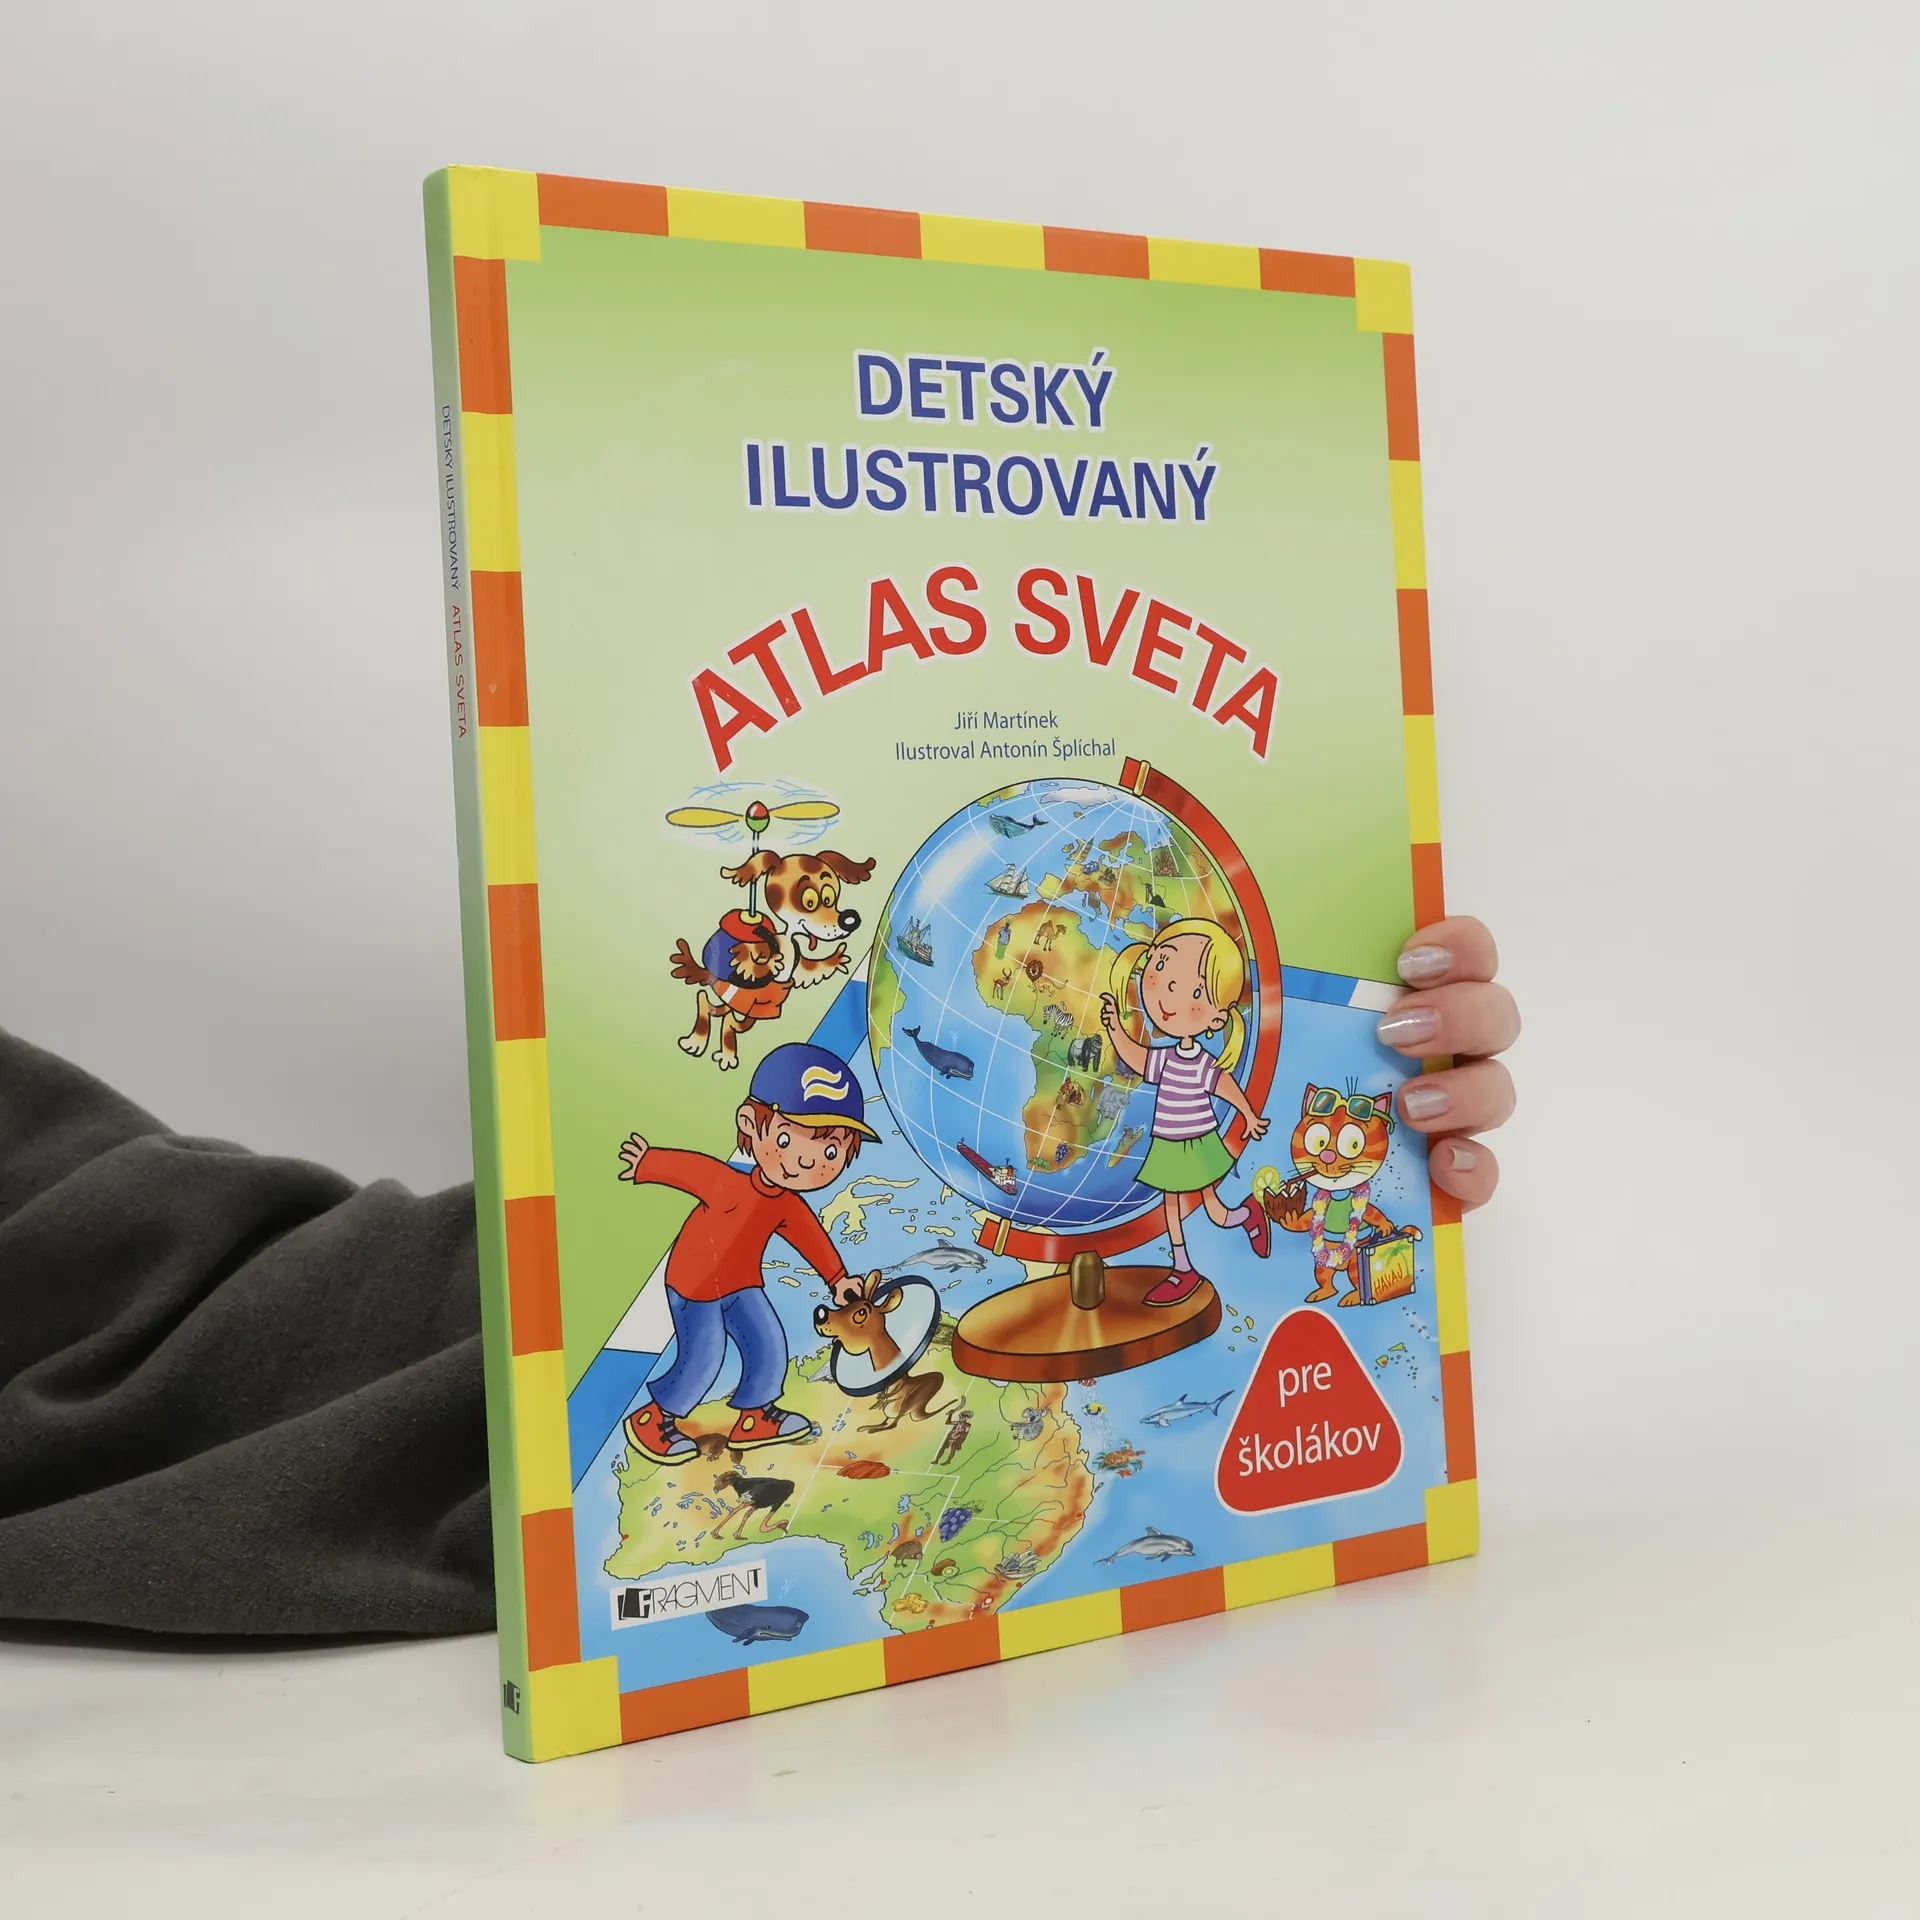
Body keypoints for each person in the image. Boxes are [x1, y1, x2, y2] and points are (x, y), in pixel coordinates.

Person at [0, 917, 1517, 1635]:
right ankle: (685, 1416)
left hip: (669, 1333)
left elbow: (189, 1299)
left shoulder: (796, 1195)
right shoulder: (735, 1173)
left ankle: (710, 1409)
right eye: (797, 1139)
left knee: (751, 1361)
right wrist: (641, 1188)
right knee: (700, 1364)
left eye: (825, 1144)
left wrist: (1345, 1095)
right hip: (684, 1316)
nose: (803, 1159)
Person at [615, 1042, 875, 1465]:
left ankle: (756, 1416)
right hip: (694, 1285)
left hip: (741, 1285)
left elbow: (809, 1237)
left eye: (830, 1153)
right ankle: (653, 1419)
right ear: (751, 1124)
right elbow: (693, 1170)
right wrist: (648, 1163)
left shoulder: (787, 1204)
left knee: (768, 1342)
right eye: (787, 1139)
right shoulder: (728, 1185)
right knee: (705, 1355)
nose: (805, 1163)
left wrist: (838, 1279)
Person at [1099, 917, 1273, 1306]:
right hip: (1168, 1143)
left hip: (1198, 1141)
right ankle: (1183, 1268)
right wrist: (1114, 1029)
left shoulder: (1200, 1062)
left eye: (1191, 990)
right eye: (1161, 967)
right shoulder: (1166, 1058)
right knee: (1173, 1205)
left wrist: (1247, 1114)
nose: (1167, 994)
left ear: (1216, 1019)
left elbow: (1223, 1084)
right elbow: (1139, 1059)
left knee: (1214, 1211)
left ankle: (1245, 1216)